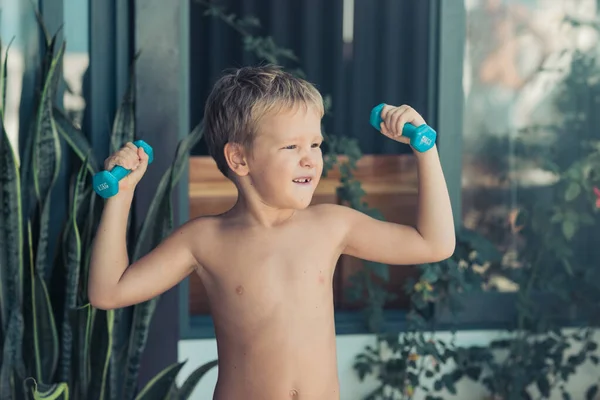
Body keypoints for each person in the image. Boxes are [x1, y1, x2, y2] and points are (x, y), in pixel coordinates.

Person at [88, 64, 455, 399]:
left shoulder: (331, 225)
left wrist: (425, 149)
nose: (310, 158)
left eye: (314, 144)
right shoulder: (205, 240)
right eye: (291, 146)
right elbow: (109, 292)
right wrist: (120, 197)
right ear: (239, 159)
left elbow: (434, 244)